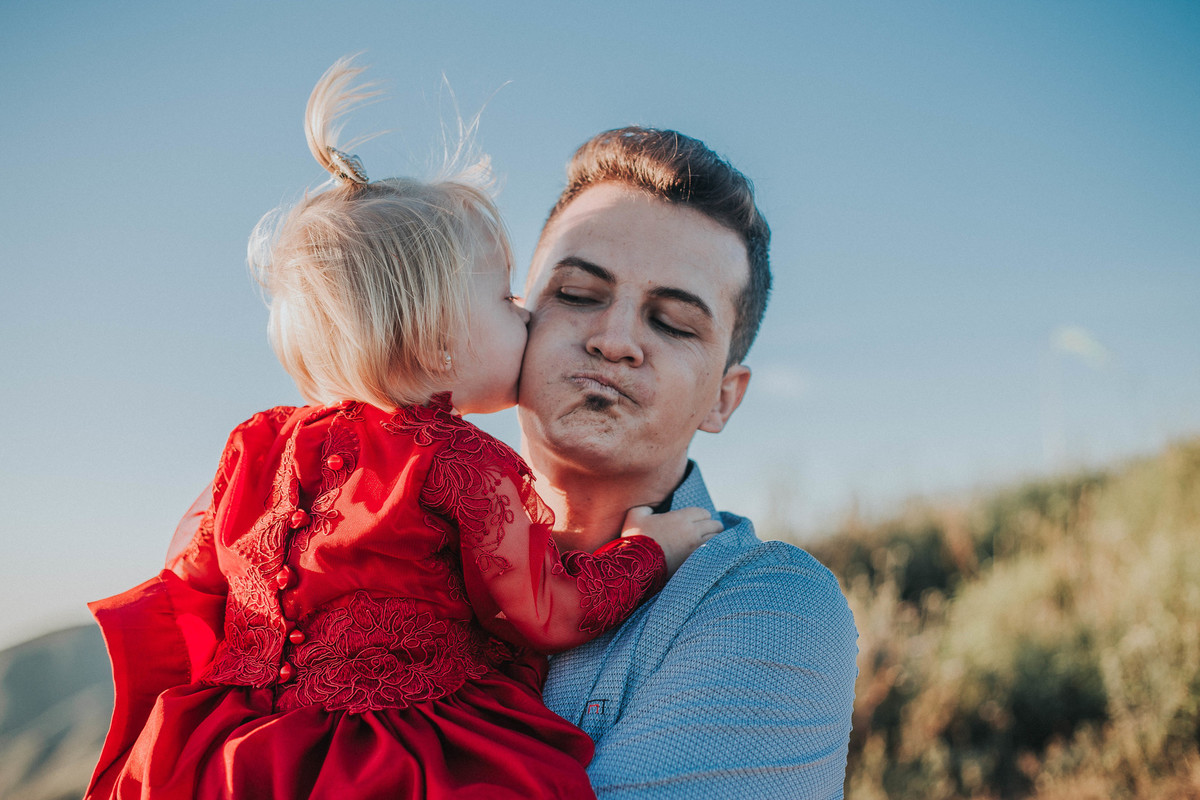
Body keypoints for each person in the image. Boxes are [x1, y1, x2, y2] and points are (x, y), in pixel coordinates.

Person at [84, 60, 720, 800]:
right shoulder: (457, 463)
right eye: (508, 298)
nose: (526, 314)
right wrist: (648, 549)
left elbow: (192, 584)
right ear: (441, 338)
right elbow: (546, 610)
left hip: (234, 752)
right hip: (393, 758)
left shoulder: (257, 443)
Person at [519, 127, 861, 798]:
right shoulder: (376, 537)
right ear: (512, 319)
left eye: (673, 322)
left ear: (724, 399)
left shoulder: (775, 611)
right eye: (579, 294)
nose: (613, 340)